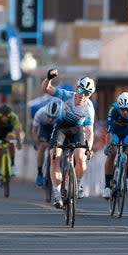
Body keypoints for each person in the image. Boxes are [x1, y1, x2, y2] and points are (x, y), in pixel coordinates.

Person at [41, 69, 95, 208]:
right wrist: (49, 78)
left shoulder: (89, 108)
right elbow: (46, 89)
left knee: (81, 158)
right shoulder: (67, 96)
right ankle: (57, 194)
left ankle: (78, 183)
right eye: (81, 90)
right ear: (77, 88)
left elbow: (89, 131)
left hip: (77, 131)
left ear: (90, 95)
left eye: (87, 93)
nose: (83, 95)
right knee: (55, 156)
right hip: (61, 129)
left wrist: (89, 148)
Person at [103, 91, 128, 199]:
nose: (125, 112)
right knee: (113, 152)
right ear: (119, 106)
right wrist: (108, 145)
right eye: (123, 109)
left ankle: (127, 178)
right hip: (115, 132)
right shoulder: (113, 109)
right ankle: (107, 186)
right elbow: (109, 131)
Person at [0, 104, 22, 188]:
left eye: (7, 116)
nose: (5, 118)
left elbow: (17, 131)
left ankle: (12, 165)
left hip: (9, 132)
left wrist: (19, 142)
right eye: (3, 116)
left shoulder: (14, 117)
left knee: (11, 141)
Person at [31, 99, 61, 186]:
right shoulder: (40, 113)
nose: (50, 119)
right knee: (42, 146)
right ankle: (40, 173)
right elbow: (34, 130)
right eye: (49, 116)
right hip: (44, 127)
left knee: (57, 148)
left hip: (56, 128)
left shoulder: (61, 116)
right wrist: (36, 142)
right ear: (46, 113)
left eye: (53, 118)